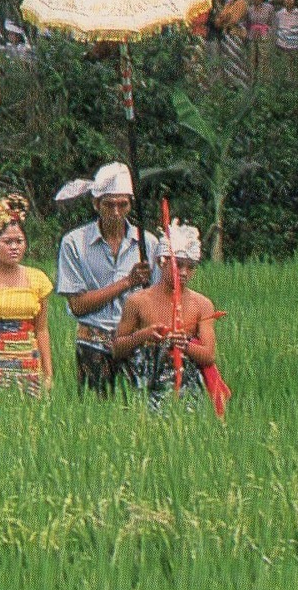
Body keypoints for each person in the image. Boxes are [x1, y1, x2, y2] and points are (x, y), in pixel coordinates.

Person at [54, 162, 157, 394]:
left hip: (135, 343)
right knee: (95, 414)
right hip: (93, 343)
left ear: (130, 204)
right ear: (96, 204)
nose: (116, 212)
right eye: (109, 205)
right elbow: (78, 305)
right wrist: (127, 282)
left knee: (138, 412)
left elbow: (156, 297)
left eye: (123, 204)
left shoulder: (147, 243)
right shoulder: (74, 243)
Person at [111, 220, 229, 416]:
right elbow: (117, 349)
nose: (183, 272)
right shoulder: (137, 301)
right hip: (145, 387)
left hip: (186, 390)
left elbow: (209, 355)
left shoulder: (202, 304)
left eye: (190, 267)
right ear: (161, 262)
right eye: (178, 265)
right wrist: (142, 336)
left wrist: (185, 344)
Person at [0, 195, 53, 396]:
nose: (14, 247)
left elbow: (41, 330)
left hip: (29, 366)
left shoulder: (37, 278)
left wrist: (48, 374)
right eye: (7, 242)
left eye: (19, 241)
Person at [272, 0, 298, 83]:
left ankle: (295, 84)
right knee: (284, 67)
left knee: (294, 67)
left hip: (295, 43)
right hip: (282, 43)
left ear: (295, 0)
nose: (289, 1)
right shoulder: (279, 14)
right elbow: (275, 29)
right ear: (284, 0)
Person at [244, 0, 276, 80]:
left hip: (264, 36)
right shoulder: (250, 9)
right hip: (252, 37)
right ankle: (252, 82)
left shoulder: (269, 8)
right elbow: (247, 24)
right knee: (252, 61)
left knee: (264, 60)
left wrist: (267, 32)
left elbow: (273, 23)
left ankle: (264, 83)